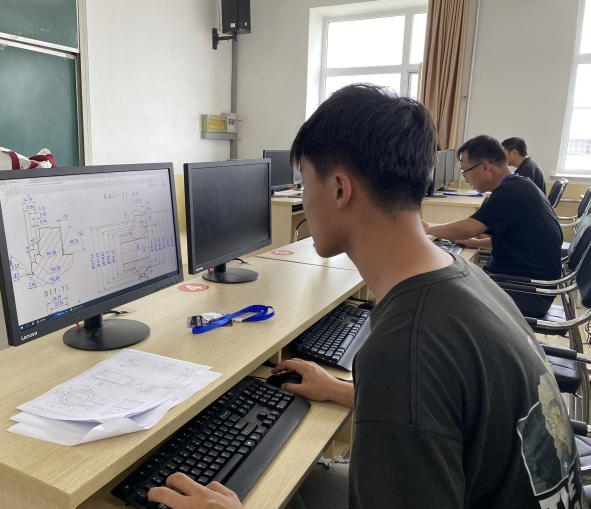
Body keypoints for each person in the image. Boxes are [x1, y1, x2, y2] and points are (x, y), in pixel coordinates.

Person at [147, 85, 583, 508]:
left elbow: (415, 386)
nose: (303, 198)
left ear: (340, 189)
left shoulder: (406, 348)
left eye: (305, 183)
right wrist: (342, 390)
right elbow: (442, 410)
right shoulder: (465, 278)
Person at [424, 135, 562, 318]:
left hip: (527, 291)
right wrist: (476, 243)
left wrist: (427, 229)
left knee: (442, 293)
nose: (467, 180)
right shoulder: (519, 184)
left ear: (485, 167)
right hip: (525, 284)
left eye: (465, 172)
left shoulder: (510, 192)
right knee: (454, 279)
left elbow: (469, 228)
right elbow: (517, 239)